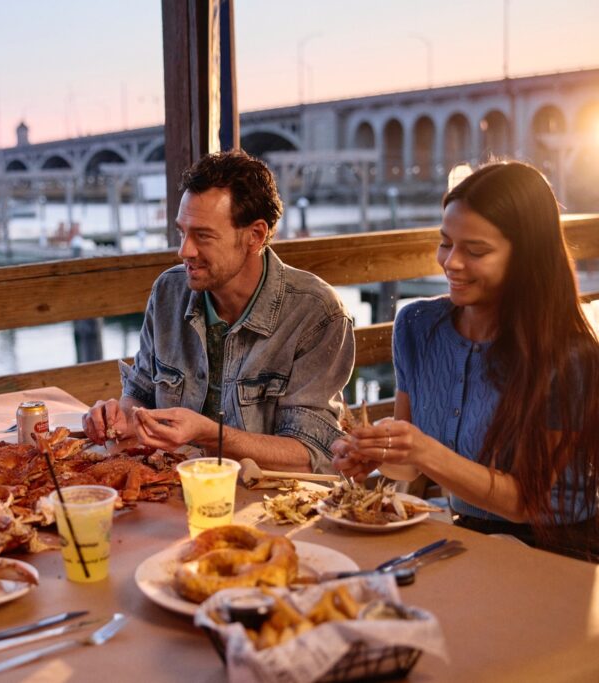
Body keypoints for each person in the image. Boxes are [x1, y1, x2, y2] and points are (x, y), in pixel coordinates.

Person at [332, 161, 599, 560]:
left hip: (560, 550)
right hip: (468, 535)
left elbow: (524, 502)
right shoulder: (416, 325)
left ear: (527, 257)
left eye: (475, 250)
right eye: (446, 242)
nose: (451, 262)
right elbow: (411, 468)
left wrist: (423, 450)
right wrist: (378, 455)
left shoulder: (572, 357)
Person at [84, 150, 355, 473]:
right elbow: (141, 393)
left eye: (203, 236)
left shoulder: (317, 312)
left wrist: (212, 436)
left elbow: (312, 453)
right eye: (182, 232)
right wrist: (121, 416)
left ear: (254, 236)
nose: (184, 250)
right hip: (176, 488)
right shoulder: (168, 291)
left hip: (274, 503)